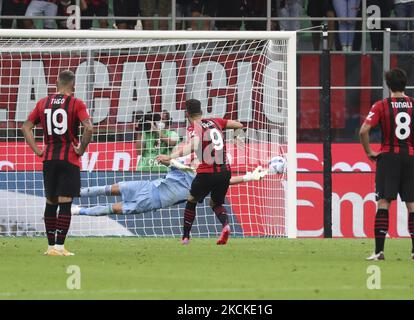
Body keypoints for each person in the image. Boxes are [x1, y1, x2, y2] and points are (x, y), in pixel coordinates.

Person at [359, 68, 414, 261]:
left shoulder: (381, 106)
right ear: (405, 84)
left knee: (383, 203)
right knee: (413, 204)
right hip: (410, 158)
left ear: (388, 85)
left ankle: (379, 251)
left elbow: (364, 131)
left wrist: (369, 153)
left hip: (388, 158)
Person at [21, 70, 93, 256]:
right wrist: (81, 149)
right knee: (65, 203)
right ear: (73, 86)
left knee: (50, 202)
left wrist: (38, 150)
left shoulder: (43, 103)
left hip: (49, 158)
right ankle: (60, 247)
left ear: (56, 84)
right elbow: (89, 127)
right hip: (69, 158)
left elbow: (26, 127)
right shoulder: (76, 103)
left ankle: (50, 247)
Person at [156, 99, 243, 245]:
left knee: (191, 200)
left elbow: (194, 144)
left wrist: (170, 156)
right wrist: (236, 137)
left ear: (187, 114)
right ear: (202, 111)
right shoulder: (216, 121)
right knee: (215, 203)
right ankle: (226, 225)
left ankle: (185, 237)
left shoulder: (193, 128)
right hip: (225, 171)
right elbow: (239, 124)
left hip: (206, 172)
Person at [71, 158, 267, 216]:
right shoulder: (188, 167)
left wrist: (249, 177)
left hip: (152, 201)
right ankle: (74, 193)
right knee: (109, 189)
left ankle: (78, 210)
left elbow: (228, 181)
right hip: (145, 186)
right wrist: (168, 160)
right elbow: (170, 162)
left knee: (112, 209)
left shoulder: (204, 182)